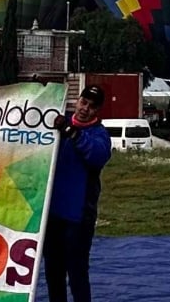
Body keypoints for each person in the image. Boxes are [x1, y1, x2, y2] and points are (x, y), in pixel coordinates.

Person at [44, 84, 113, 302]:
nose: (85, 109)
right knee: (53, 273)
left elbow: (97, 156)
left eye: (92, 107)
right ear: (77, 101)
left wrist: (73, 134)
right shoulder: (56, 123)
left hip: (79, 217)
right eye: (84, 102)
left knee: (77, 274)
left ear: (98, 111)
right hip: (51, 213)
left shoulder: (100, 134)